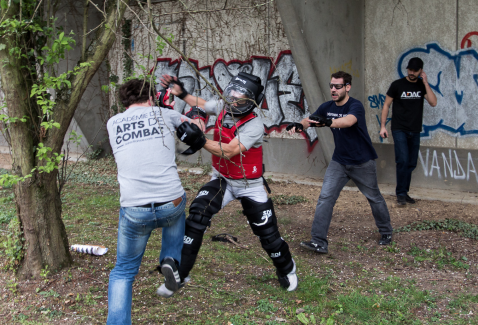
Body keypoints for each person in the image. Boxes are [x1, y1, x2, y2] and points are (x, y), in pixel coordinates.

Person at [156, 71, 298, 297]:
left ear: (250, 100)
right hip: (221, 180)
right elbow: (202, 103)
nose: (232, 99)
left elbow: (231, 151)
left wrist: (200, 140)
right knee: (196, 218)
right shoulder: (224, 106)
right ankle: (180, 275)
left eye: (238, 96)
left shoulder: (254, 125)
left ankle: (287, 268)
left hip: (249, 185)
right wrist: (181, 92)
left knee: (268, 235)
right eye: (231, 93)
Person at [106, 79, 191, 324]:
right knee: (176, 205)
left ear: (125, 101)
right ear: (151, 97)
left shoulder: (113, 123)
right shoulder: (164, 114)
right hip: (170, 202)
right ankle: (170, 259)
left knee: (123, 272)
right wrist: (186, 111)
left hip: (135, 209)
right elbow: (194, 129)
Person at [287, 71, 393, 254]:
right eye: (331, 86)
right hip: (339, 162)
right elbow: (309, 120)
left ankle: (386, 231)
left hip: (363, 162)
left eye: (338, 86)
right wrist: (299, 126)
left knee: (374, 198)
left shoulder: (355, 106)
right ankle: (318, 241)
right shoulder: (327, 106)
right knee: (325, 199)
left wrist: (328, 122)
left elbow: (348, 121)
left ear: (347, 87)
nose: (333, 90)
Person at [379, 57, 437, 205]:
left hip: (415, 129)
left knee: (411, 163)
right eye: (409, 70)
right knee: (403, 160)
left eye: (415, 70)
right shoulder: (397, 85)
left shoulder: (421, 86)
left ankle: (405, 192)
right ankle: (400, 194)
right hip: (399, 129)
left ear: (421, 71)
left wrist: (425, 82)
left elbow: (433, 102)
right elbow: (386, 105)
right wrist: (383, 126)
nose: (411, 73)